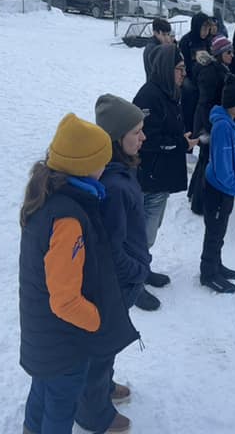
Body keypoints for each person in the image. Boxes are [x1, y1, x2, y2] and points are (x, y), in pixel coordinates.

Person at [20, 114, 138, 434]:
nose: (106, 167)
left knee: (42, 392)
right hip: (65, 342)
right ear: (85, 166)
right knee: (60, 406)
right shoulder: (68, 220)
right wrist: (97, 321)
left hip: (44, 334)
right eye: (102, 161)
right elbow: (65, 301)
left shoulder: (50, 195)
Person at [86, 95, 149, 434]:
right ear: (116, 136)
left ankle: (104, 386)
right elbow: (111, 248)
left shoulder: (119, 170)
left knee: (109, 342)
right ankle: (94, 412)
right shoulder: (111, 183)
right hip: (117, 281)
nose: (143, 137)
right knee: (102, 345)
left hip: (125, 279)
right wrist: (137, 271)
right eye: (137, 131)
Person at [131, 44, 193, 311]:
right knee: (140, 234)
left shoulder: (169, 92)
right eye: (180, 69)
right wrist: (180, 143)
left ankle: (143, 270)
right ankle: (133, 284)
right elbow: (148, 140)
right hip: (148, 176)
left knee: (150, 232)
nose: (183, 74)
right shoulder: (149, 96)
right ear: (168, 70)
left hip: (161, 176)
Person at [200, 81, 235, 293]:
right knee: (214, 232)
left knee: (220, 232)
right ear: (232, 104)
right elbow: (221, 164)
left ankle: (216, 264)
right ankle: (208, 273)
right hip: (219, 190)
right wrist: (232, 183)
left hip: (226, 189)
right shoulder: (221, 127)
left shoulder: (231, 122)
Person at [188, 35, 235, 215]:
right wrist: (210, 127)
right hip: (209, 123)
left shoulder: (220, 69)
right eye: (228, 52)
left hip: (210, 121)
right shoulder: (211, 73)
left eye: (233, 51)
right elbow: (205, 103)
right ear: (219, 54)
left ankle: (194, 193)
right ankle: (199, 202)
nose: (232, 55)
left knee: (204, 160)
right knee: (208, 160)